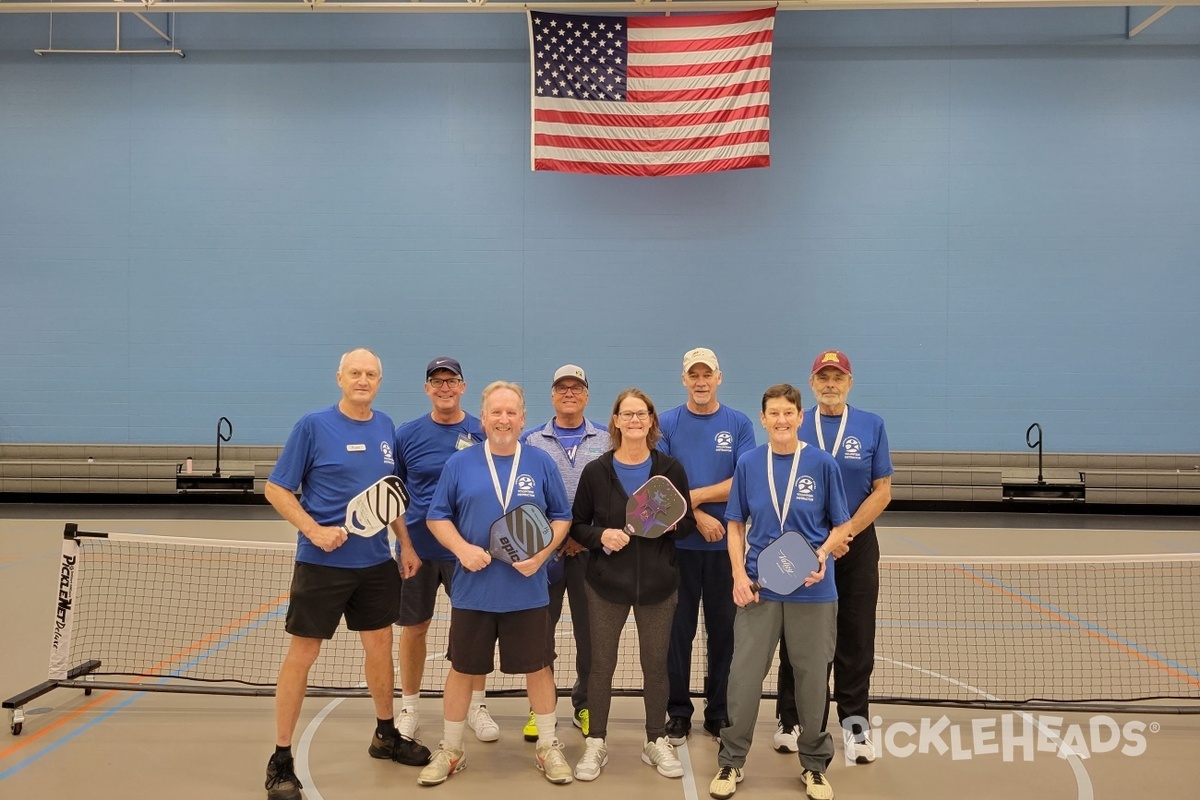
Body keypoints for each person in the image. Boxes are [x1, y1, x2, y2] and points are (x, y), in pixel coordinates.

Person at [262, 348, 430, 800]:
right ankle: (280, 759)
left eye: (371, 373)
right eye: (355, 373)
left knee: (380, 648)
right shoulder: (312, 426)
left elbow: (390, 494)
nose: (363, 379)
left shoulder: (385, 427)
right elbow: (276, 488)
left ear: (379, 380)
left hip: (375, 564)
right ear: (340, 377)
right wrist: (314, 531)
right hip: (321, 565)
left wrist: (406, 544)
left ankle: (385, 734)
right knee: (303, 654)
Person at [420, 382, 575, 786]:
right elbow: (438, 517)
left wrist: (542, 556)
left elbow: (562, 516)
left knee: (539, 669)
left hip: (527, 591)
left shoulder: (540, 462)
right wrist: (462, 550)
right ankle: (451, 749)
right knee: (461, 670)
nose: (503, 419)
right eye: (496, 412)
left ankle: (548, 746)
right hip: (473, 589)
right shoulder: (460, 464)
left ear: (522, 419)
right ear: (483, 418)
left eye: (511, 413)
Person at [709, 384, 851, 800]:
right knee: (744, 677)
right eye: (774, 413)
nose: (782, 420)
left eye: (789, 412)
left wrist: (822, 554)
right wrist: (737, 574)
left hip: (814, 590)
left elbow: (841, 525)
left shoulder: (823, 464)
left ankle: (814, 766)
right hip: (759, 589)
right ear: (764, 418)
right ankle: (731, 762)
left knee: (810, 680)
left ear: (800, 417)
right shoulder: (750, 463)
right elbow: (735, 524)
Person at [569, 388, 698, 782]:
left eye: (642, 414)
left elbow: (687, 522)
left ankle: (654, 740)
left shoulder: (669, 469)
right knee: (601, 666)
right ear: (616, 421)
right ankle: (596, 741)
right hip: (605, 585)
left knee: (655, 666)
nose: (635, 420)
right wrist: (602, 536)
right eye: (627, 414)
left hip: (659, 587)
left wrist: (675, 525)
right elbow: (577, 525)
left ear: (651, 421)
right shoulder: (596, 471)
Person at [774, 350, 893, 763]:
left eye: (837, 376)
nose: (830, 383)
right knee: (798, 636)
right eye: (822, 377)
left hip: (855, 546)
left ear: (849, 382)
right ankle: (791, 721)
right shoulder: (794, 424)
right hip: (802, 543)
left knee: (856, 639)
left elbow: (883, 489)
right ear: (811, 384)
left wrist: (844, 534)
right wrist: (819, 541)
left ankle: (856, 728)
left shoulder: (871, 425)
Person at [393, 357, 498, 744]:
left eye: (451, 380)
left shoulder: (482, 430)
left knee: (473, 628)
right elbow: (394, 496)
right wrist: (404, 544)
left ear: (463, 386)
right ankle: (410, 707)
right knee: (414, 628)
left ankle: (477, 706)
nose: (444, 388)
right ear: (427, 389)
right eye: (436, 382)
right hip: (417, 551)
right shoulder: (408, 435)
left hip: (467, 552)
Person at [658, 347, 756, 744]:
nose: (700, 382)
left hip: (725, 551)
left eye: (707, 375)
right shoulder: (665, 423)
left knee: (725, 635)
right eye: (693, 375)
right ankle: (678, 711)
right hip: (678, 548)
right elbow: (659, 486)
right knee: (676, 635)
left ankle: (718, 712)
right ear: (684, 379)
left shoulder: (739, 423)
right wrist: (696, 514)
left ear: (719, 378)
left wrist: (691, 496)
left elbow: (743, 480)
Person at [519, 364, 611, 741]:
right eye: (562, 388)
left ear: (587, 395)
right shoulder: (531, 440)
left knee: (591, 634)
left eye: (576, 387)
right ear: (553, 394)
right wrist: (555, 541)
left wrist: (581, 537)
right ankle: (540, 707)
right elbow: (524, 494)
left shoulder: (607, 439)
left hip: (591, 553)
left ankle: (585, 704)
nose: (569, 393)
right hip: (545, 554)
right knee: (541, 631)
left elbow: (610, 495)